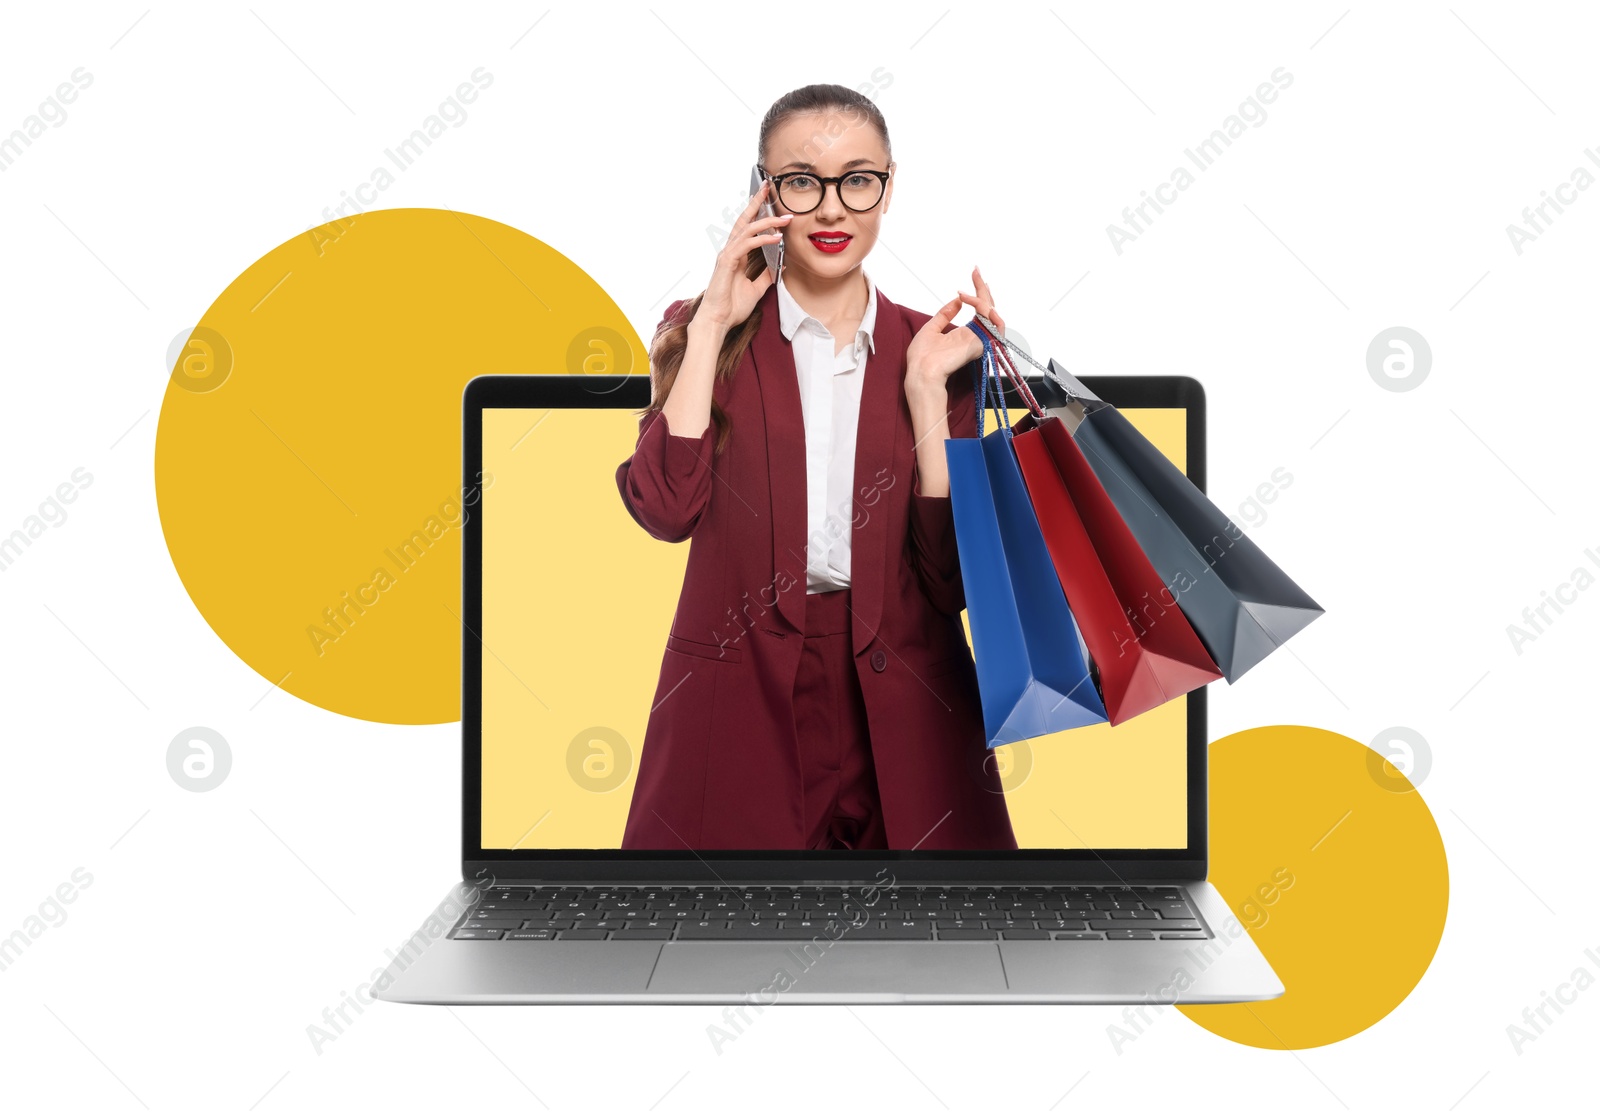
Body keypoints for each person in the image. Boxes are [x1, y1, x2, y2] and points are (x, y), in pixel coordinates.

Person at [614, 83, 1016, 851]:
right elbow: (665, 507)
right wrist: (709, 330)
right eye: (802, 181)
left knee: (941, 954)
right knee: (713, 952)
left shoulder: (933, 351)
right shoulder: (706, 334)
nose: (832, 209)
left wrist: (928, 393)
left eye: (857, 180)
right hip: (738, 698)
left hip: (906, 702)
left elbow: (948, 584)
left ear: (888, 188)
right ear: (764, 192)